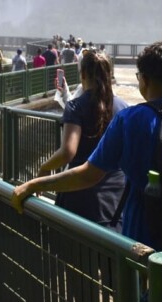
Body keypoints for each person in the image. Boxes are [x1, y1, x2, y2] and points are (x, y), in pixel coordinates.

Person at [11, 41, 162, 253]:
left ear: (144, 79)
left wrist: (34, 185)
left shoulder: (130, 120)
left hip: (145, 245)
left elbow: (88, 175)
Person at [37, 51, 128, 229]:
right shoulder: (124, 107)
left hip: (80, 197)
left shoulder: (76, 106)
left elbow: (67, 152)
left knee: (73, 253)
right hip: (116, 200)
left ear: (83, 74)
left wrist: (44, 169)